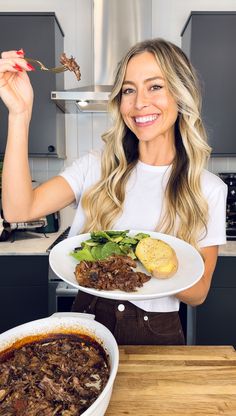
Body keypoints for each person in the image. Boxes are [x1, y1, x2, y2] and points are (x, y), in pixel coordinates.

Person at [0, 39, 227, 345]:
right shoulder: (95, 167)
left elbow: (199, 292)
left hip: (156, 332)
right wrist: (19, 114)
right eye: (128, 90)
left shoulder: (208, 189)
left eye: (155, 87)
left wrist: (137, 258)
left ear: (181, 94)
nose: (138, 103)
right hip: (87, 321)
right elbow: (18, 210)